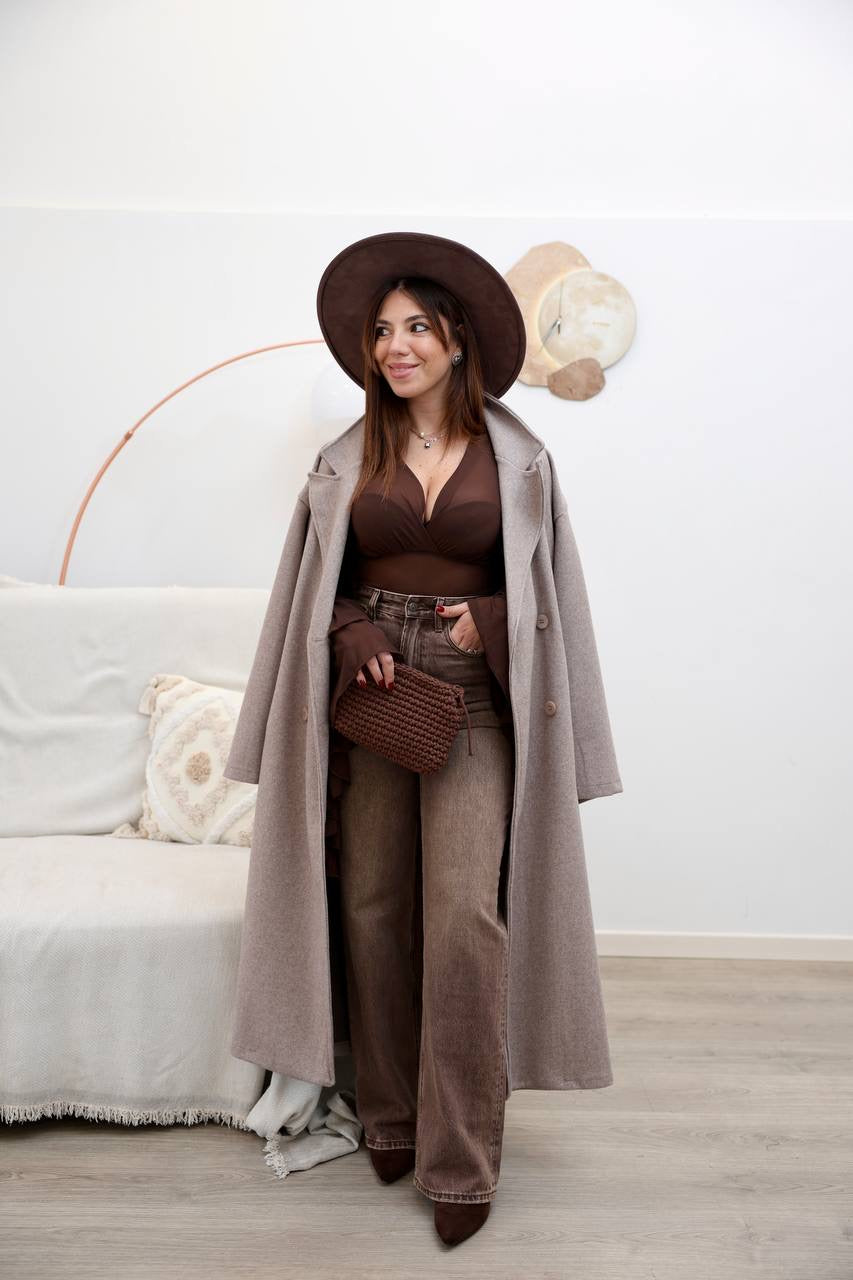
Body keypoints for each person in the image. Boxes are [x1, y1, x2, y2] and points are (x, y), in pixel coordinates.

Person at [317, 232, 527, 1247]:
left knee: (463, 917)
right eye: (381, 331)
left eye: (415, 328)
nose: (394, 346)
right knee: (371, 905)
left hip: (470, 691)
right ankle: (390, 1114)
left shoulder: (516, 456)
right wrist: (348, 627)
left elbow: (543, 588)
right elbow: (316, 578)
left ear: (455, 341)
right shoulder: (345, 453)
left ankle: (460, 1157)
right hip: (375, 682)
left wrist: (493, 617)